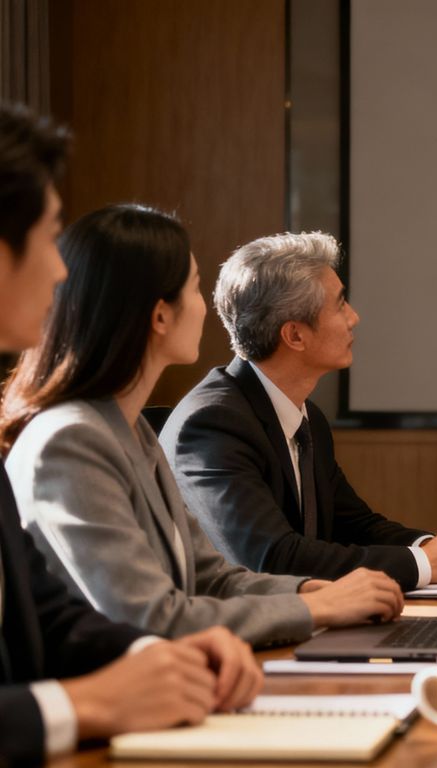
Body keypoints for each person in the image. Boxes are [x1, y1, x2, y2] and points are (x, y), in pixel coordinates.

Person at [1, 204, 405, 647]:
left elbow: (208, 577)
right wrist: (316, 608)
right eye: (195, 289)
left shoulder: (129, 430)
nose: (208, 308)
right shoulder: (70, 440)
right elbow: (150, 616)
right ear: (159, 317)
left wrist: (312, 591)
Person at [0, 103, 259, 765]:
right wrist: (83, 704)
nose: (61, 274)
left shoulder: (136, 430)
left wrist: (150, 657)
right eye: (47, 235)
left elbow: (45, 611)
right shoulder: (68, 437)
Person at [159, 232, 437, 590]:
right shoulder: (212, 424)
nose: (354, 317)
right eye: (340, 304)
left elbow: (355, 524)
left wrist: (435, 547)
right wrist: (426, 564)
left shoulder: (307, 418)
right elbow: (272, 558)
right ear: (295, 336)